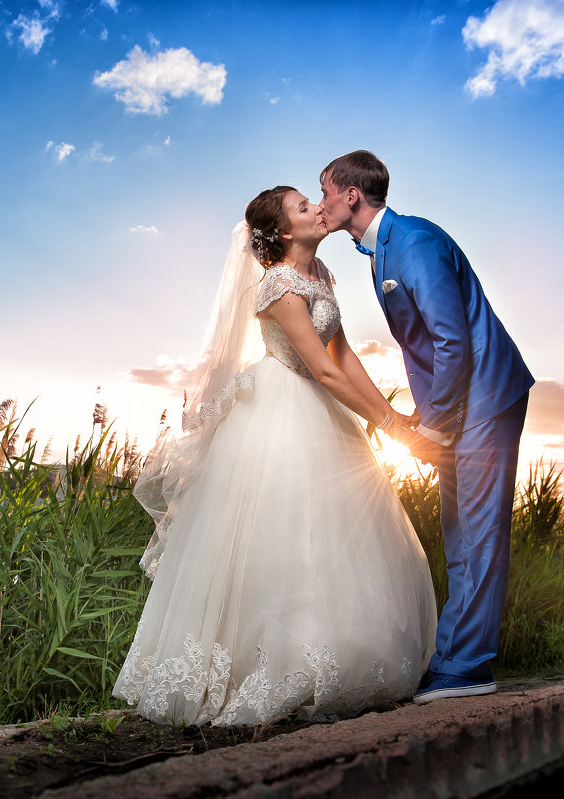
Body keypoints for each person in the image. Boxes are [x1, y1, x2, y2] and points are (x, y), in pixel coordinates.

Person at [112, 186, 437, 726]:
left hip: (324, 414)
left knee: (334, 539)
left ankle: (335, 661)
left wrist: (392, 415)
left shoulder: (322, 275)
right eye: (303, 207)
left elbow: (344, 354)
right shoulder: (279, 285)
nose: (317, 208)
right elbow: (322, 371)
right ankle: (271, 668)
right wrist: (389, 427)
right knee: (282, 539)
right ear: (285, 231)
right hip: (282, 408)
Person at [318, 150, 534, 704]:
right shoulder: (379, 252)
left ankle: (470, 669)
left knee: (478, 532)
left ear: (351, 196)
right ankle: (452, 658)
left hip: (486, 398)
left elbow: (450, 339)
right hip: (458, 404)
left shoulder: (412, 240)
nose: (320, 205)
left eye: (324, 192)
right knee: (458, 532)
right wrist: (426, 417)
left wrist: (435, 425)